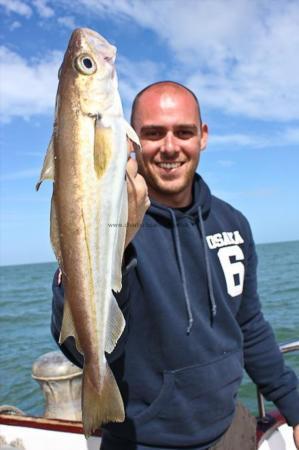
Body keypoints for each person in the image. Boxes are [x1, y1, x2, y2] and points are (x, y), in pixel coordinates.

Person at [51, 81, 299, 450]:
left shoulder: (233, 223)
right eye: (153, 133)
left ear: (203, 136)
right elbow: (80, 347)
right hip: (143, 440)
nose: (170, 147)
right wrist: (119, 244)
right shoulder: (108, 225)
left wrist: (293, 404)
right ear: (131, 139)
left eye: (183, 132)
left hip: (232, 429)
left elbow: (248, 325)